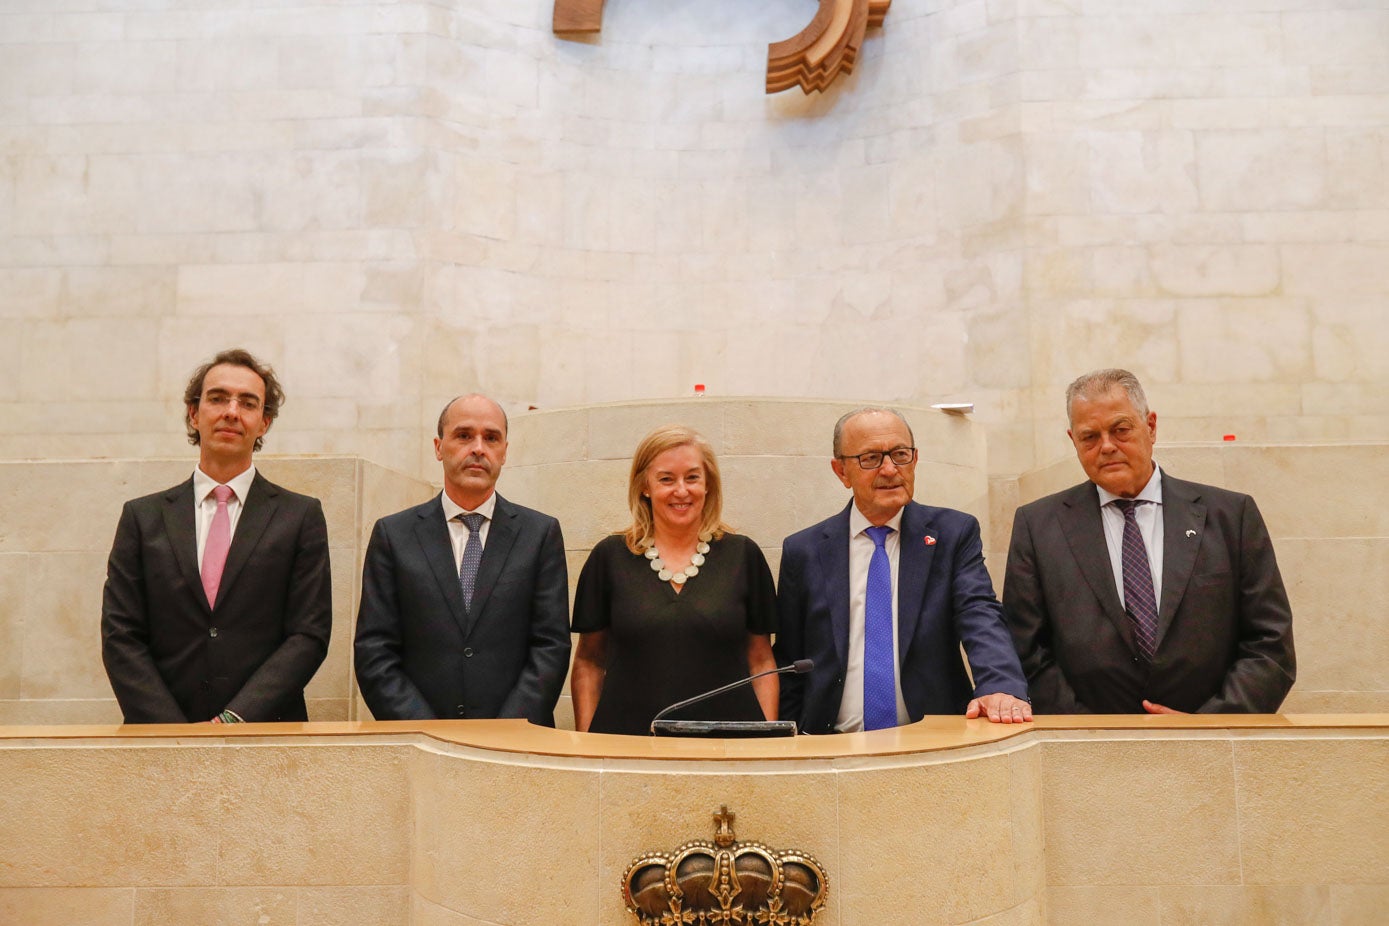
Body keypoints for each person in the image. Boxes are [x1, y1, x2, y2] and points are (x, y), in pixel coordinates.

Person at [1003, 368, 1296, 713]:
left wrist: (1207, 727)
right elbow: (1026, 651)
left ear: (1151, 426)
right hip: (1087, 750)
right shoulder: (1037, 526)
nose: (1107, 446)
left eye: (1120, 430)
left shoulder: (1231, 516)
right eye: (1090, 437)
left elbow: (1269, 644)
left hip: (1211, 747)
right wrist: (1092, 734)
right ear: (1073, 441)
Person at [101, 349, 331, 723]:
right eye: (218, 398)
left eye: (248, 403)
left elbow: (308, 635)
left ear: (264, 422)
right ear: (194, 413)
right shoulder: (142, 518)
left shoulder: (300, 516)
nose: (231, 411)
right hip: (161, 741)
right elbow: (121, 634)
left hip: (266, 736)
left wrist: (235, 719)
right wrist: (174, 733)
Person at [774, 408, 1031, 733]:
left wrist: (1000, 685)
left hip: (931, 742)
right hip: (830, 745)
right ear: (841, 471)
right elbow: (788, 660)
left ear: (915, 459)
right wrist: (791, 738)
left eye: (900, 455)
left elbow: (979, 613)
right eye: (870, 458)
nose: (890, 469)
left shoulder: (953, 534)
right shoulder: (804, 551)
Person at [354, 394, 570, 724]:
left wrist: (503, 733)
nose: (479, 448)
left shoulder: (540, 534)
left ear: (504, 452)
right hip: (418, 744)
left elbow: (550, 647)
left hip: (516, 745)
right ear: (439, 447)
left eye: (491, 438)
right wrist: (428, 733)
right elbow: (374, 651)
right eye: (464, 435)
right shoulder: (393, 535)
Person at [570, 425, 778, 735]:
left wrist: (767, 737)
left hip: (729, 749)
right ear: (645, 486)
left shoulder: (743, 555)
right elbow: (588, 660)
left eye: (692, 477)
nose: (681, 490)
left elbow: (761, 660)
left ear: (708, 484)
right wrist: (587, 741)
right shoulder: (609, 557)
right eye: (666, 479)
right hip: (626, 747)